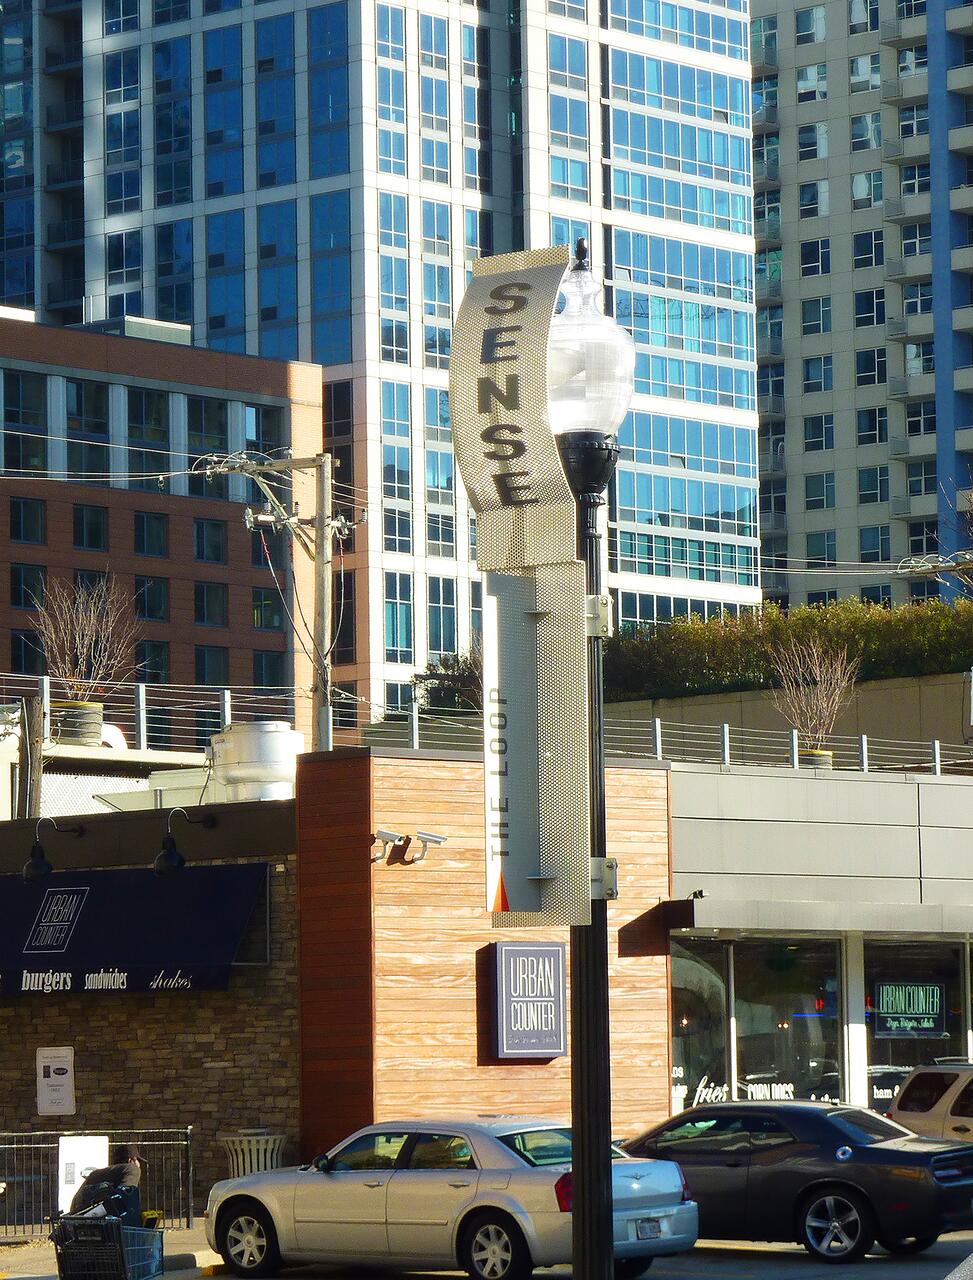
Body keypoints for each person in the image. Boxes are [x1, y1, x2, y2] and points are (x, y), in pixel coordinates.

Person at [69, 1145, 143, 1225]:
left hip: (81, 1223)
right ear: (131, 1160)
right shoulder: (132, 1169)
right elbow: (125, 1198)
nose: (139, 1165)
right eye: (138, 1161)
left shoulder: (95, 1175)